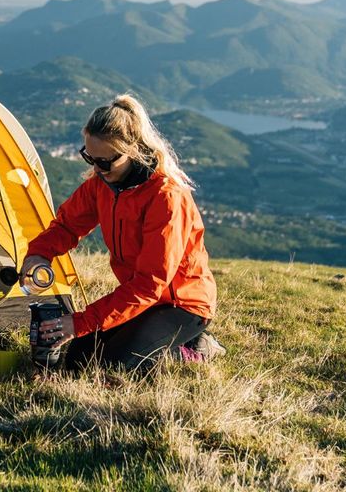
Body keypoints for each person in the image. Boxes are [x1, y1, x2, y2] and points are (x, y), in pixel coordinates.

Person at [20, 94, 217, 370]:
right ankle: (158, 341)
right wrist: (39, 254)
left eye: (105, 162)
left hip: (181, 304)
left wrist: (79, 322)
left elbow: (150, 283)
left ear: (132, 150)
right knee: (79, 360)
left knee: (116, 365)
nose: (97, 169)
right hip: (139, 299)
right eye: (90, 158)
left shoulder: (166, 197)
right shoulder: (102, 184)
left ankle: (195, 347)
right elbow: (67, 226)